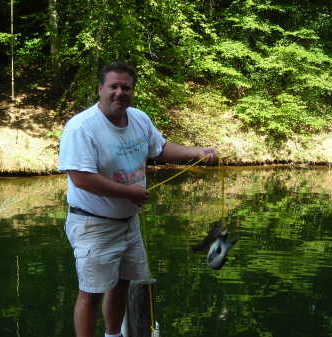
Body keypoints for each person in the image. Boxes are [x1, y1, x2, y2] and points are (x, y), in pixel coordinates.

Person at [58, 61, 217, 337]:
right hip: (93, 224)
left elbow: (161, 148)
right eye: (114, 86)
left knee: (122, 282)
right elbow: (80, 178)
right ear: (101, 89)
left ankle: (113, 334)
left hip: (128, 223)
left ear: (132, 91)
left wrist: (197, 151)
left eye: (126, 87)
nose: (120, 92)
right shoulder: (81, 127)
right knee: (91, 291)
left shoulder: (139, 119)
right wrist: (128, 192)